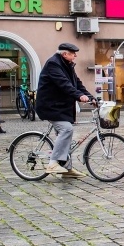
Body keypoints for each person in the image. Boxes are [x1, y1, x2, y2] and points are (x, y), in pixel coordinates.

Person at [35, 42, 94, 177]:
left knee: (66, 135)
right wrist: (79, 96)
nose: (75, 56)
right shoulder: (53, 64)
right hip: (50, 106)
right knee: (66, 129)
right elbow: (64, 84)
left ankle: (67, 170)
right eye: (73, 54)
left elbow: (77, 83)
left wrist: (91, 97)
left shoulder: (67, 65)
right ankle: (52, 163)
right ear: (65, 54)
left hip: (61, 107)